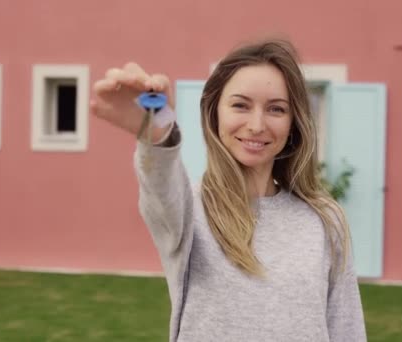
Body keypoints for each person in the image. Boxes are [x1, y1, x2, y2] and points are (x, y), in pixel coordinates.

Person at [91, 38, 367, 342]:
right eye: (240, 105)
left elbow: (346, 328)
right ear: (215, 113)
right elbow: (160, 189)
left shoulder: (325, 219)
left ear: (293, 124)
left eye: (276, 109)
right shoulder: (189, 210)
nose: (257, 124)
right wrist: (159, 131)